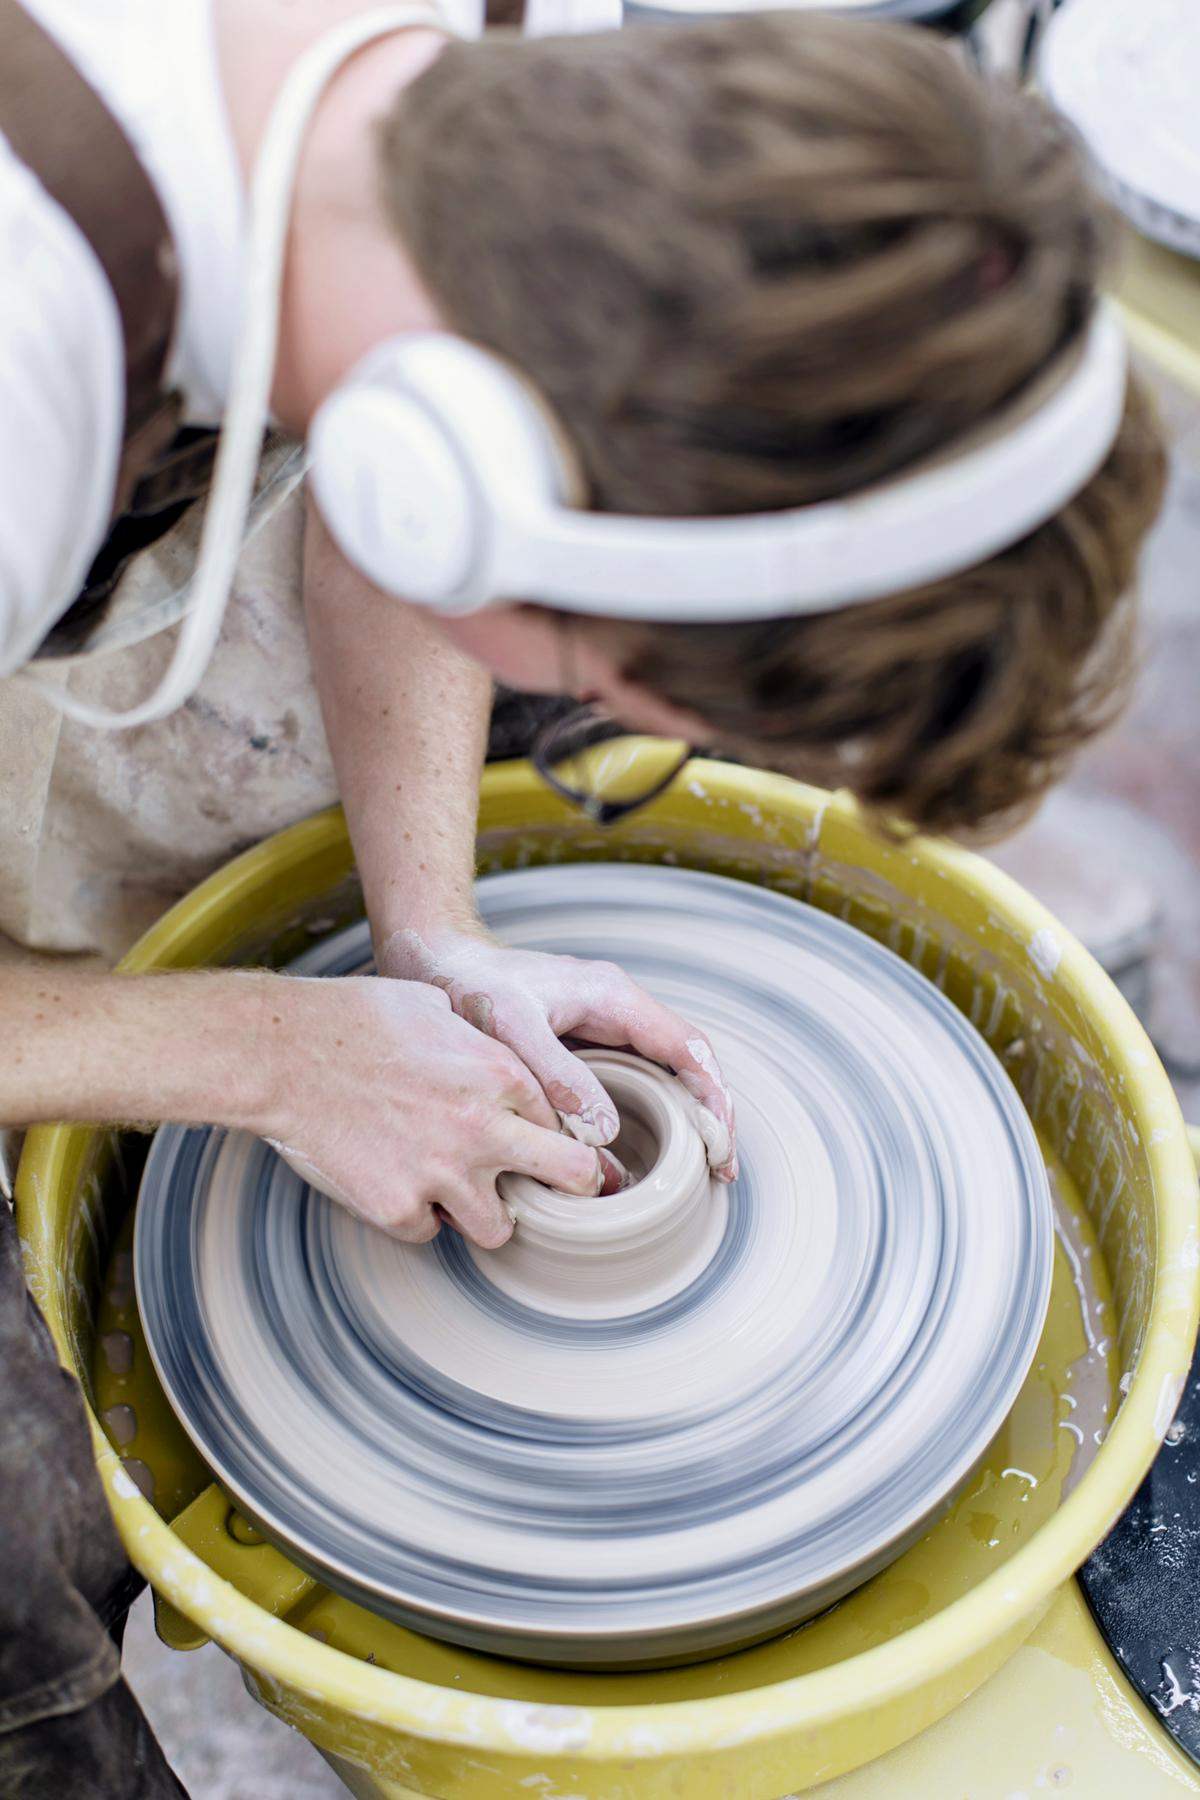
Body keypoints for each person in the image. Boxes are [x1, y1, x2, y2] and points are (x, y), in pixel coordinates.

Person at [0, 2, 1166, 1792]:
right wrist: (267, 1053)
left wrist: (432, 927)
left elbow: (419, 458)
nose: (620, 737)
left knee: (520, 723)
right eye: (653, 710)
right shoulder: (22, 368)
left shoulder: (543, 94)